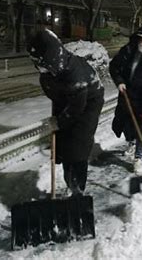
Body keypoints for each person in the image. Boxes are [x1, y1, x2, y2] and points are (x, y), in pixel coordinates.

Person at [27, 29, 104, 195]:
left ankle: (78, 190)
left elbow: (77, 106)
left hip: (89, 100)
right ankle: (70, 182)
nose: (38, 67)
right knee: (63, 142)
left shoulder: (74, 72)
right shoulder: (48, 72)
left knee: (78, 143)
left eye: (40, 63)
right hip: (70, 99)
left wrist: (60, 121)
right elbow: (57, 98)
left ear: (51, 58)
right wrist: (58, 120)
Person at [109, 19, 142, 170]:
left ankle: (138, 157)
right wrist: (119, 81)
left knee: (141, 126)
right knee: (125, 123)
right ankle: (131, 142)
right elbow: (114, 67)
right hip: (126, 94)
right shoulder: (127, 51)